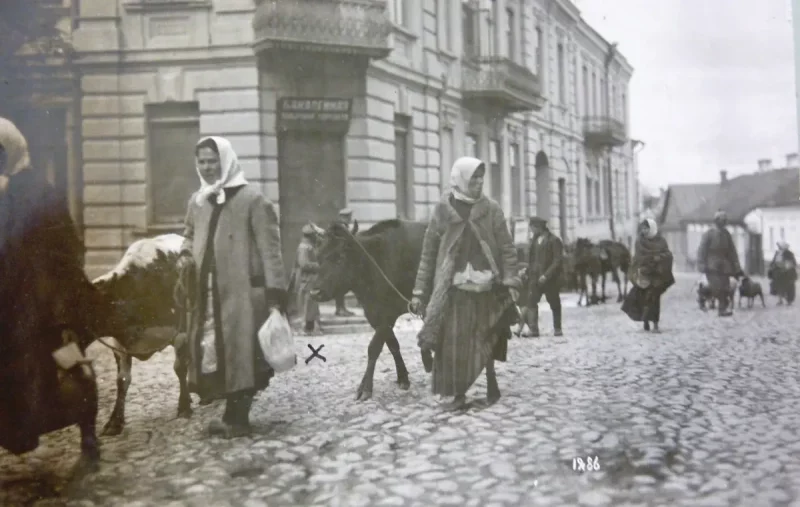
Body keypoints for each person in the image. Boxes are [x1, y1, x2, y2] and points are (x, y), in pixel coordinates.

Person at [177, 136, 288, 439]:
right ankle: (231, 415)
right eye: (202, 162)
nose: (208, 167)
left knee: (243, 356)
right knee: (217, 354)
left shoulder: (253, 199)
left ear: (225, 161)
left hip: (243, 295)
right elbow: (188, 235)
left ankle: (238, 419)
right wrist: (186, 254)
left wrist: (275, 295)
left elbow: (271, 251)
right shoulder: (198, 201)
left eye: (213, 161)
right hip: (208, 295)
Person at [0, 117, 99, 457]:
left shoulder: (41, 192)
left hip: (46, 302)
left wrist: (63, 311)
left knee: (67, 364)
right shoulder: (5, 191)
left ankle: (88, 432)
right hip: (12, 300)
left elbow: (67, 252)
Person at [410, 156, 520, 411]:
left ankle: (491, 382)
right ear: (460, 180)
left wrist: (510, 279)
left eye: (481, 177)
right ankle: (457, 394)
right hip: (454, 290)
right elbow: (428, 254)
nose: (479, 182)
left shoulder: (491, 210)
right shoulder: (443, 210)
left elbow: (506, 248)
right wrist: (419, 291)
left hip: (486, 288)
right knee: (452, 345)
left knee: (486, 339)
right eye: (474, 178)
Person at [623, 218, 675, 332]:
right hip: (644, 274)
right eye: (643, 229)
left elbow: (668, 255)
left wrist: (659, 258)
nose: (644, 231)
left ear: (652, 228)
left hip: (658, 275)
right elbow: (638, 258)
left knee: (655, 299)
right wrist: (644, 264)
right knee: (644, 299)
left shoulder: (661, 241)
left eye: (647, 228)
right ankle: (646, 321)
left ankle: (655, 324)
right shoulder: (639, 242)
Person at [696, 210, 743, 317]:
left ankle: (722, 310)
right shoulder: (709, 234)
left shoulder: (726, 234)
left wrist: (736, 267)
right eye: (721, 220)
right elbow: (702, 250)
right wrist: (701, 264)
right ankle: (703, 295)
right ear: (716, 221)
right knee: (717, 287)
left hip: (725, 266)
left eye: (725, 220)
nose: (723, 222)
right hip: (711, 266)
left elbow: (732, 251)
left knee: (726, 288)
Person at [524, 216, 564, 337]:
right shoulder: (534, 241)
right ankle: (534, 330)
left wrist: (546, 275)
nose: (531, 230)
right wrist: (527, 271)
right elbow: (531, 260)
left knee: (554, 302)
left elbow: (557, 261)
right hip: (535, 278)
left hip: (550, 279)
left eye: (532, 228)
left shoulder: (554, 240)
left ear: (538, 227)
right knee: (531, 302)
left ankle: (557, 328)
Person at [292, 223, 322, 335]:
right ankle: (305, 328)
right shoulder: (304, 247)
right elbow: (304, 264)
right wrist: (319, 266)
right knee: (306, 306)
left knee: (311, 305)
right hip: (306, 280)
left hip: (310, 280)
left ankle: (312, 327)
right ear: (310, 235)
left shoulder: (309, 245)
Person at [333, 208, 356, 317]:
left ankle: (342, 308)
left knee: (342, 285)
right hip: (339, 261)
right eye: (348, 217)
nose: (350, 219)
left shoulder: (344, 228)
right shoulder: (340, 229)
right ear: (344, 217)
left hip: (343, 261)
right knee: (340, 286)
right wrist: (353, 232)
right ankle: (340, 309)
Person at [768, 241, 797, 305]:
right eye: (779, 246)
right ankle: (780, 300)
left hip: (787, 274)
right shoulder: (777, 253)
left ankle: (789, 300)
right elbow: (774, 261)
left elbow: (793, 263)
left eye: (780, 246)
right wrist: (772, 267)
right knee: (778, 287)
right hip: (778, 273)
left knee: (788, 287)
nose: (779, 247)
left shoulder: (789, 253)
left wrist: (787, 266)